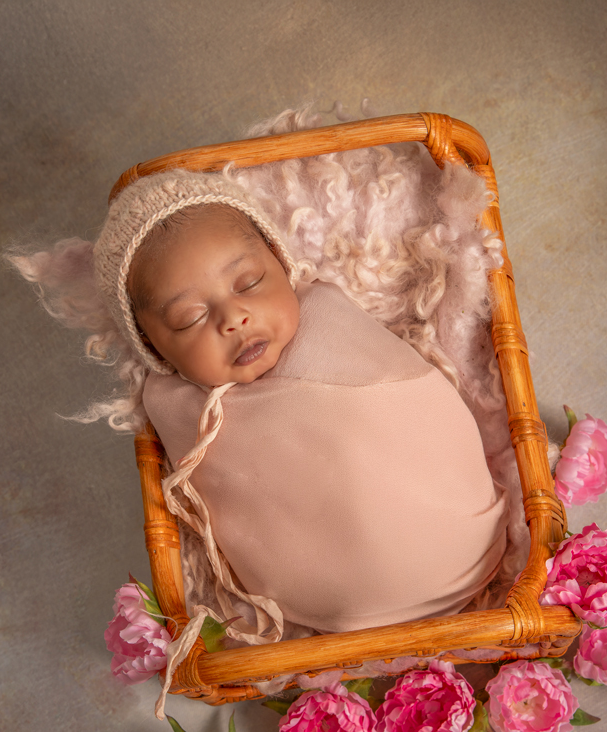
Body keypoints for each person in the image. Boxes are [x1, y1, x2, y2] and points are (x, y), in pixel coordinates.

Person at [89, 168, 509, 644]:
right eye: (191, 318)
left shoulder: (326, 314)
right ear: (153, 347)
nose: (233, 318)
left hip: (463, 543)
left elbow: (412, 407)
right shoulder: (177, 406)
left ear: (281, 262)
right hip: (331, 606)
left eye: (247, 283)